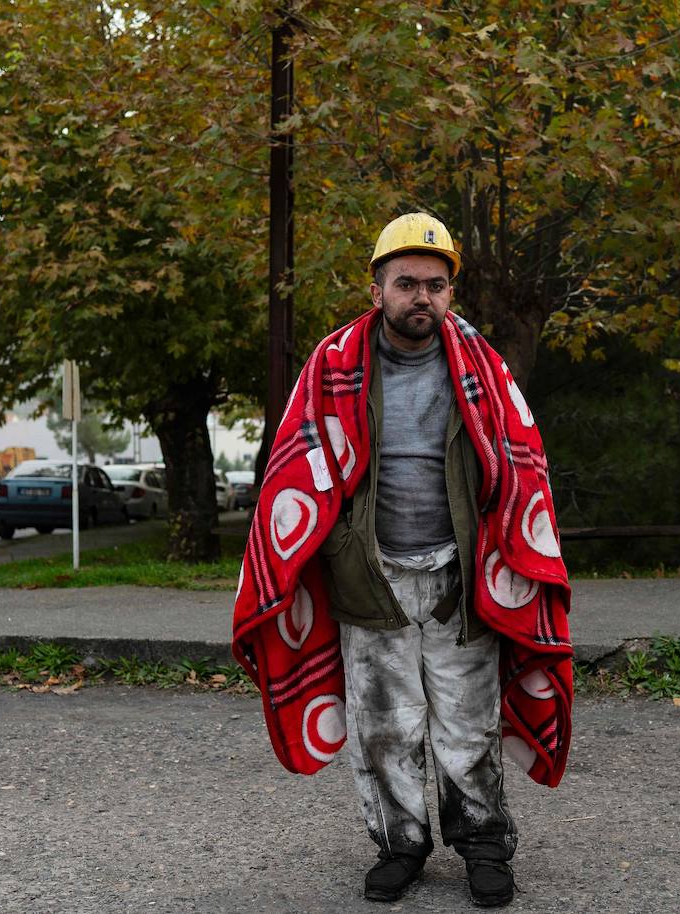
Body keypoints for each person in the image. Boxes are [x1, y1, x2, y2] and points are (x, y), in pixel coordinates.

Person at [231, 213, 572, 908]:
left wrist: (505, 555)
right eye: (407, 282)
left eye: (437, 284)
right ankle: (400, 846)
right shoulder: (332, 365)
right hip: (371, 575)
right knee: (384, 726)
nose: (423, 296)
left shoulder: (482, 369)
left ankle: (483, 845)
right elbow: (294, 471)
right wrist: (322, 555)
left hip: (461, 576)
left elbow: (520, 471)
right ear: (378, 285)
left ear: (451, 291)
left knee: (466, 720)